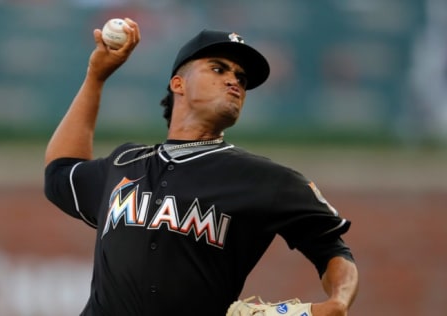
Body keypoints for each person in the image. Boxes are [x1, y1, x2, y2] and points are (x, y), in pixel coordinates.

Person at [44, 18, 358, 316]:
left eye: (241, 78)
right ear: (178, 84)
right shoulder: (125, 163)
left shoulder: (265, 180)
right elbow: (60, 172)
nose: (234, 80)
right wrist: (95, 78)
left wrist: (337, 302)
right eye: (218, 68)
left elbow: (332, 248)